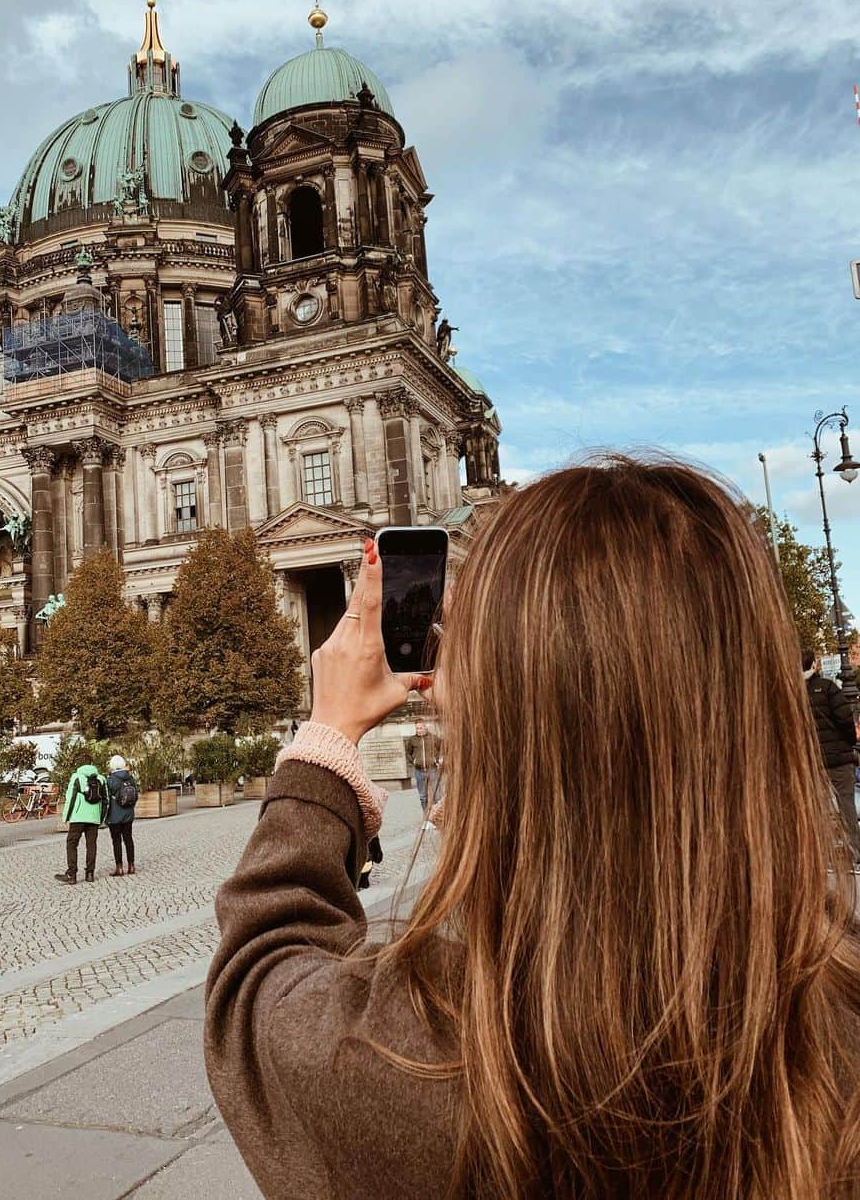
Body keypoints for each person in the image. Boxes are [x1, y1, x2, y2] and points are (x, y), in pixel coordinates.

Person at [205, 458, 860, 1200]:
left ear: (517, 768)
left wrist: (327, 733)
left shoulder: (418, 1058)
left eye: (463, 738)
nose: (446, 799)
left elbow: (257, 982)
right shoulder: (836, 1027)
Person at [803, 649, 860, 869]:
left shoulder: (793, 691)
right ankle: (854, 852)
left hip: (813, 760)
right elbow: (845, 718)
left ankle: (819, 851)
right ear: (814, 665)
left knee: (815, 806)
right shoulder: (827, 687)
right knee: (846, 805)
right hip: (838, 759)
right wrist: (846, 743)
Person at [54, 761, 105, 885]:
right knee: (91, 845)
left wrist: (65, 817)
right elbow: (105, 801)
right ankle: (90, 874)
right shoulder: (101, 779)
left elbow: (70, 798)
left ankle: (72, 874)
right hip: (94, 818)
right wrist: (101, 818)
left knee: (72, 844)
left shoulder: (76, 777)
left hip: (78, 817)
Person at [105, 752, 138, 876]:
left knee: (116, 841)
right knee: (128, 839)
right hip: (128, 814)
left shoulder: (110, 780)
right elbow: (136, 796)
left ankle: (119, 867)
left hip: (114, 816)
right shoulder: (131, 778)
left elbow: (106, 798)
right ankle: (131, 866)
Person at [403, 719, 441, 819]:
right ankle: (426, 816)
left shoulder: (433, 738)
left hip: (432, 770)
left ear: (425, 727)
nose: (419, 730)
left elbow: (442, 749)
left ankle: (438, 816)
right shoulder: (412, 740)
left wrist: (438, 759)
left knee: (437, 796)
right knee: (423, 796)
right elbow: (408, 753)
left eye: (420, 728)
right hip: (419, 771)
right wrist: (413, 761)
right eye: (417, 728)